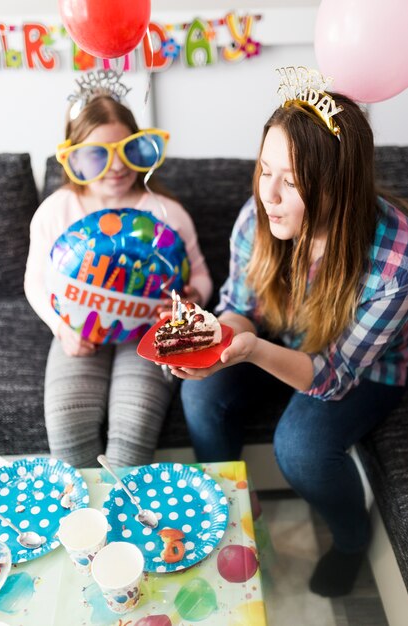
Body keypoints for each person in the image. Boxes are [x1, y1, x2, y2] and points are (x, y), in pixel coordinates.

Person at [175, 67, 408, 597]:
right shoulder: (259, 217)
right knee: (199, 390)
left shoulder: (393, 264)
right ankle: (233, 511)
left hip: (365, 370)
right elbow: (238, 307)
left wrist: (252, 349)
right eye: (265, 170)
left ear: (339, 189)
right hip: (284, 339)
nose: (270, 195)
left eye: (294, 181)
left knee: (300, 447)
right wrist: (214, 341)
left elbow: (333, 378)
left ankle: (351, 538)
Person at [24, 70, 212, 469]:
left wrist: (192, 299)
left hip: (146, 332)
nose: (116, 166)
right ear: (73, 156)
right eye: (97, 153)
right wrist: (62, 330)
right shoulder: (57, 211)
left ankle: (128, 519)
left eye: (128, 150)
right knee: (66, 420)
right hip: (78, 328)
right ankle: (80, 518)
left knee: (134, 422)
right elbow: (35, 281)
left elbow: (201, 276)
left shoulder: (166, 213)